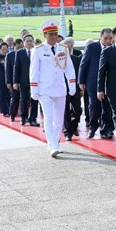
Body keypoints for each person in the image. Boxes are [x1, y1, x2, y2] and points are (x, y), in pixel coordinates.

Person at [30, 20, 77, 157]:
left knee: (59, 119)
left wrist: (72, 84)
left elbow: (69, 68)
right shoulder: (38, 50)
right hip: (45, 89)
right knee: (48, 118)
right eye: (50, 34)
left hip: (60, 88)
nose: (53, 37)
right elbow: (34, 71)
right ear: (45, 35)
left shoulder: (63, 48)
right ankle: (52, 146)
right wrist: (34, 89)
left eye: (55, 34)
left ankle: (56, 142)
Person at [79, 28, 114, 139]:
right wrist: (81, 81)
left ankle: (105, 130)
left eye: (110, 38)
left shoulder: (113, 49)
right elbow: (83, 65)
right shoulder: (92, 47)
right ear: (100, 37)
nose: (108, 41)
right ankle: (93, 127)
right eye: (105, 38)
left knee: (107, 109)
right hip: (93, 82)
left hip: (108, 83)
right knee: (94, 106)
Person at [13, 35, 39, 126]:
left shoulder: (36, 51)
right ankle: (23, 117)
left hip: (35, 81)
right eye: (27, 41)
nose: (29, 43)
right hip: (23, 80)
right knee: (23, 99)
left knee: (34, 100)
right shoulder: (20, 52)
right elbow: (17, 67)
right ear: (23, 42)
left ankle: (33, 118)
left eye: (31, 41)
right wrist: (15, 82)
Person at [62, 38, 82, 141]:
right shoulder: (58, 60)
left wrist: (81, 88)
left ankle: (73, 127)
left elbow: (80, 74)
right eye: (66, 47)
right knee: (66, 112)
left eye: (70, 47)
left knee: (78, 110)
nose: (69, 49)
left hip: (75, 89)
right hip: (63, 89)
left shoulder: (75, 59)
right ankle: (67, 132)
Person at [5, 38, 23, 121]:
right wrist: (8, 82)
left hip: (23, 80)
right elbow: (7, 70)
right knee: (14, 98)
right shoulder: (9, 55)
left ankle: (24, 116)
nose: (20, 49)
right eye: (18, 47)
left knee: (24, 99)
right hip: (13, 81)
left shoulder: (24, 54)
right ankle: (12, 115)